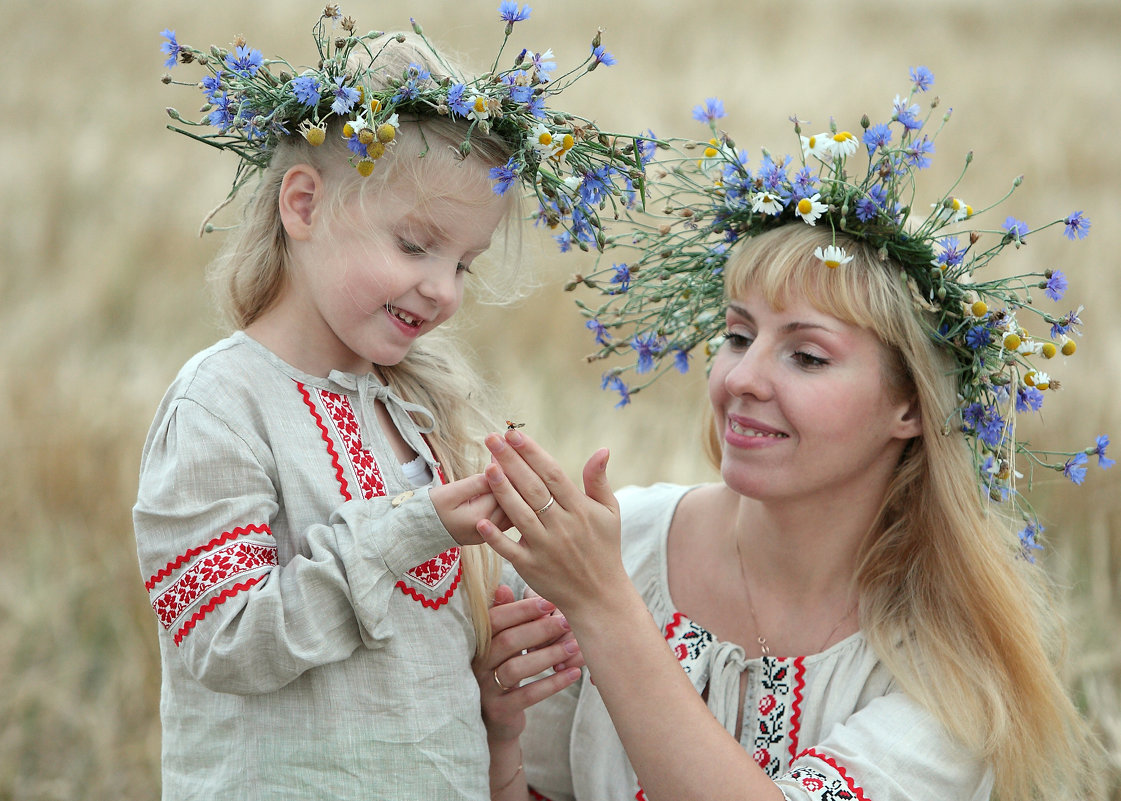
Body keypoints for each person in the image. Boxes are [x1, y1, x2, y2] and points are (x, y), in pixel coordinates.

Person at [475, 68, 1108, 800]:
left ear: (909, 407)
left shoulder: (947, 668)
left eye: (805, 355)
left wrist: (605, 609)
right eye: (737, 335)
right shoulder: (619, 547)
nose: (742, 378)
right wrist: (497, 742)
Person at [136, 7, 642, 799]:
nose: (442, 290)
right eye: (413, 245)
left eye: (463, 263)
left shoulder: (417, 410)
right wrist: (416, 525)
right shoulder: (222, 402)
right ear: (301, 205)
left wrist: (507, 648)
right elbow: (227, 642)